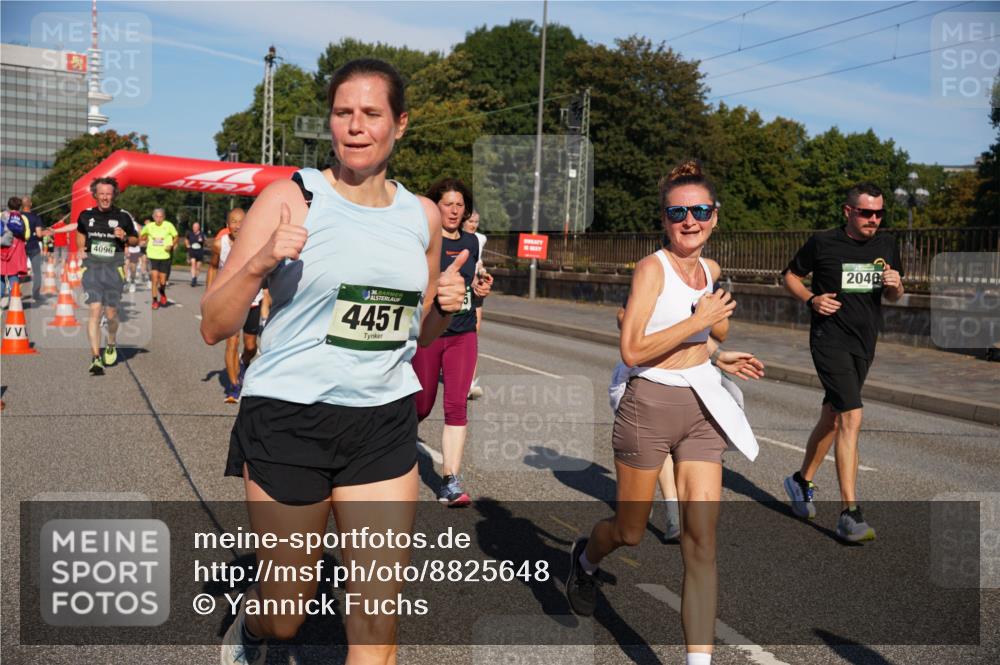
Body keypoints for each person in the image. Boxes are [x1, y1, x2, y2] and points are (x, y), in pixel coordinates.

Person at [201, 58, 468, 665]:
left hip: (382, 422)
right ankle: (256, 623)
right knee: (286, 619)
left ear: (399, 124)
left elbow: (416, 333)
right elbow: (214, 323)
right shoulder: (290, 197)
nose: (355, 126)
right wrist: (262, 261)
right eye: (343, 113)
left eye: (371, 114)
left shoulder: (421, 215)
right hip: (289, 419)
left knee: (377, 634)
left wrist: (446, 309)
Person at [566, 160, 762, 665]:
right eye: (679, 212)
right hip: (649, 404)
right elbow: (632, 349)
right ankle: (586, 558)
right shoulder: (651, 269)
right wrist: (698, 320)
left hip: (701, 406)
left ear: (715, 216)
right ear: (665, 219)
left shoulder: (712, 271)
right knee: (630, 530)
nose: (689, 220)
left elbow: (708, 331)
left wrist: (719, 353)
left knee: (701, 541)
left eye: (699, 210)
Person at [781, 181, 903, 542]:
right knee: (851, 414)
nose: (874, 220)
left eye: (880, 213)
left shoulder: (887, 245)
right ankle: (850, 513)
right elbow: (789, 276)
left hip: (864, 343)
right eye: (867, 213)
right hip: (828, 339)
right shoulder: (824, 243)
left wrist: (896, 285)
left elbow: (894, 295)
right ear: (848, 212)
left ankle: (800, 480)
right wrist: (811, 300)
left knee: (832, 417)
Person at [413, 179, 493, 507]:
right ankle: (386, 447)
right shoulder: (424, 241)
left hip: (462, 334)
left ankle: (450, 480)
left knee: (457, 405)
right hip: (430, 335)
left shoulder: (473, 242)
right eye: (448, 204)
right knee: (421, 405)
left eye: (460, 205)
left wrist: (480, 288)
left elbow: (473, 281)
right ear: (436, 207)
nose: (455, 210)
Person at [74, 177, 140, 375]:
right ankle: (95, 357)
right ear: (95, 195)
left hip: (114, 269)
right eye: (101, 194)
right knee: (95, 310)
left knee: (111, 314)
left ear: (113, 195)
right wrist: (80, 248)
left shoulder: (123, 216)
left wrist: (125, 237)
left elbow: (136, 240)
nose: (105, 197)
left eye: (108, 194)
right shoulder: (85, 215)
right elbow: (80, 233)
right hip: (92, 268)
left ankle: (110, 343)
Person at [206, 209, 270, 404]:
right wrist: (209, 293)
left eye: (241, 222)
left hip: (252, 300)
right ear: (227, 225)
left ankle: (244, 362)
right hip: (229, 301)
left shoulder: (256, 245)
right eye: (233, 222)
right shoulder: (220, 244)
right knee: (231, 343)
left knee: (251, 346)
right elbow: (213, 267)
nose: (237, 226)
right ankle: (234, 387)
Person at [462, 209, 488, 400]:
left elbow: (478, 262)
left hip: (475, 290)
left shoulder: (480, 239)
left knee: (473, 335)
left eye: (476, 222)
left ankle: (469, 384)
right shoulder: (451, 236)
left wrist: (482, 273)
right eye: (471, 221)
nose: (473, 225)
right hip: (457, 290)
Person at [140, 208, 178, 309]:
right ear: (153, 217)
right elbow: (142, 236)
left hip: (165, 256)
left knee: (162, 281)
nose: (159, 219)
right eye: (156, 216)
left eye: (161, 216)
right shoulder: (149, 226)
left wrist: (172, 245)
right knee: (154, 279)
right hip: (153, 255)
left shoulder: (168, 225)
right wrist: (144, 239)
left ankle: (163, 293)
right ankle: (155, 301)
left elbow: (176, 236)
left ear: (164, 217)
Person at [1, 197, 30, 306]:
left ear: (8, 206)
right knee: (13, 276)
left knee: (2, 276)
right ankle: (13, 301)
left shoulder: (2, 216)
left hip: (3, 249)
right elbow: (26, 236)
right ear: (20, 206)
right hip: (17, 250)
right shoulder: (23, 218)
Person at [19, 195, 48, 303]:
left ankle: (15, 293)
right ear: (30, 204)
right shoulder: (36, 217)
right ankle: (36, 294)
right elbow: (40, 234)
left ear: (22, 205)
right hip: (33, 247)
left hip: (20, 247)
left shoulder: (18, 216)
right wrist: (45, 232)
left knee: (18, 271)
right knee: (37, 272)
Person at [185, 221, 207, 287]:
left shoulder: (202, 234)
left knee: (198, 267)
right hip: (192, 251)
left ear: (198, 228)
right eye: (193, 227)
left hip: (200, 251)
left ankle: (195, 278)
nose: (194, 228)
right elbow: (186, 239)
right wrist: (187, 245)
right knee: (193, 263)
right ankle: (193, 278)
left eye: (196, 227)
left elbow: (205, 242)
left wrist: (202, 241)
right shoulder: (190, 234)